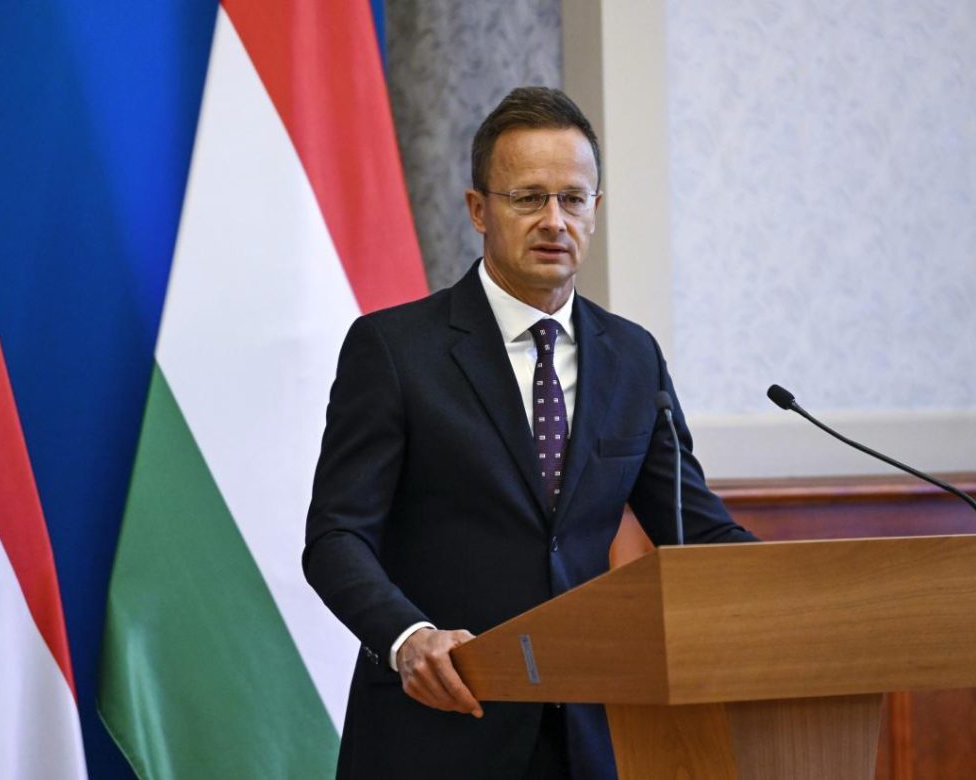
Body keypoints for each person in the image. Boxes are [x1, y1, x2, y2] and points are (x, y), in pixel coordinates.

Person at [304, 86, 757, 780]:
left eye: (573, 199)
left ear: (595, 210)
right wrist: (408, 637)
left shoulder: (632, 357)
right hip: (439, 726)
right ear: (478, 209)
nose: (554, 220)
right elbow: (336, 537)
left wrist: (814, 593)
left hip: (587, 736)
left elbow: (695, 530)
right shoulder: (395, 349)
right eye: (528, 198)